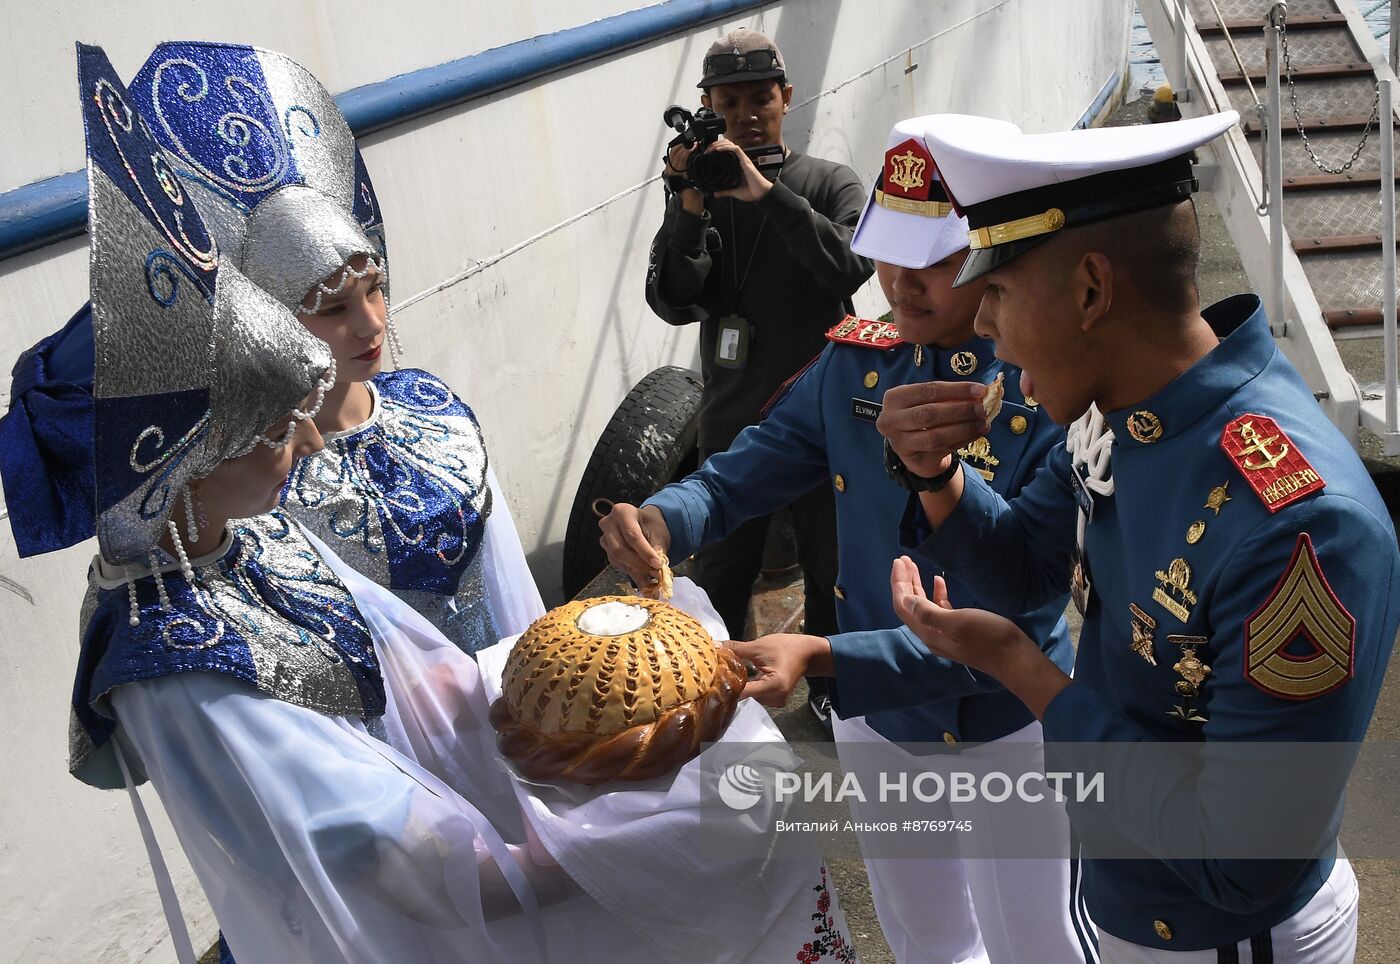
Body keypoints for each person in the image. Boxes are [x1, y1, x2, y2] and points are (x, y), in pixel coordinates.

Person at [0, 46, 854, 964]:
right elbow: (372, 847)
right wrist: (619, 848)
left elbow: (450, 681)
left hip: (502, 802)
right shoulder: (184, 649)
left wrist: (620, 663)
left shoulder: (240, 545)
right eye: (282, 417)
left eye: (374, 289)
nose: (315, 433)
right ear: (189, 453)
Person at [880, 110, 1398, 960]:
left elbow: (1243, 862)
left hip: (1221, 934)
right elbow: (1025, 573)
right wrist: (937, 475)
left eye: (1000, 291)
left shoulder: (1298, 523)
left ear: (1091, 289)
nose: (981, 327)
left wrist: (1025, 671)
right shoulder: (1123, 416)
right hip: (1126, 886)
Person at [604, 118, 1093, 963]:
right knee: (924, 935)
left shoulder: (1045, 386)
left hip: (1003, 717)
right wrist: (664, 517)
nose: (901, 283)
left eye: (934, 261)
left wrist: (821, 654)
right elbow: (743, 471)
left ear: (994, 254)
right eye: (890, 253)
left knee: (1038, 940)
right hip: (880, 714)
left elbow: (1020, 592)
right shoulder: (857, 366)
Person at [125, 41, 544, 657]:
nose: (372, 324)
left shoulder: (435, 411)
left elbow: (510, 584)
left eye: (374, 291)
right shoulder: (251, 484)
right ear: (269, 325)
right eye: (334, 308)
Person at [645, 28, 873, 725]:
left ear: (786, 98)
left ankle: (839, 701)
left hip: (827, 427)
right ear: (708, 104)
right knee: (717, 582)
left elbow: (848, 267)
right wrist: (688, 204)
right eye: (730, 100)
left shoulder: (829, 182)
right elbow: (674, 299)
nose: (747, 113)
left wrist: (766, 193)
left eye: (760, 98)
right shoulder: (701, 196)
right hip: (734, 425)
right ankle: (714, 702)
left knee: (836, 579)